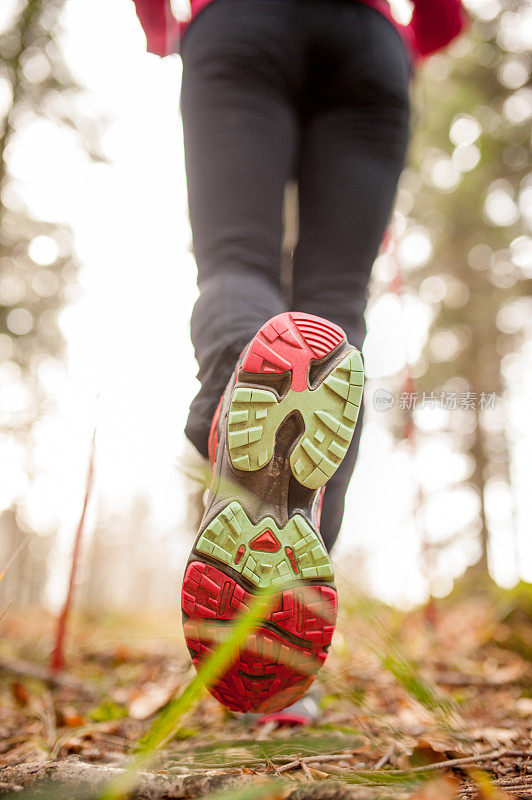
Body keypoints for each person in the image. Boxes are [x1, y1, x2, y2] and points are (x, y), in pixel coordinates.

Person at [132, 0, 466, 721]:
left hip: (240, 25)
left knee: (235, 266)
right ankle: (285, 647)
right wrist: (407, 43)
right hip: (368, 48)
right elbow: (445, 18)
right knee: (337, 312)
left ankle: (236, 399)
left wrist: (161, 28)